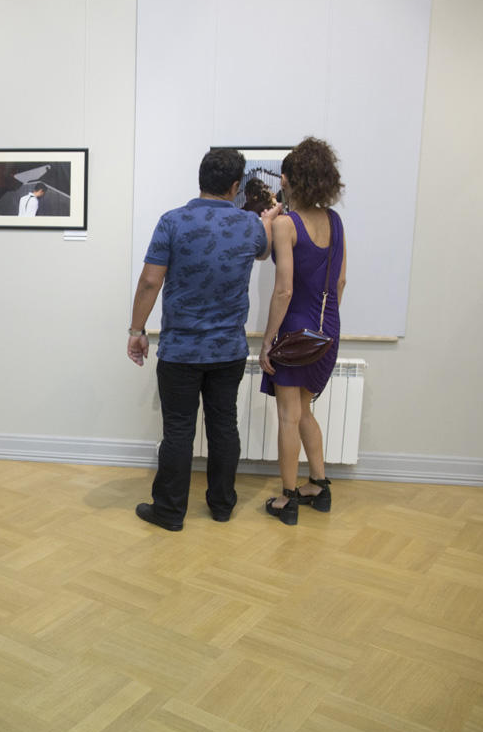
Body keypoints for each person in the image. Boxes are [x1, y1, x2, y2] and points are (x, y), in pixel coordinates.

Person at [127, 147, 277, 531]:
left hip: (181, 350)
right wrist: (268, 219)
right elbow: (262, 254)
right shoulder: (249, 227)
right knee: (224, 425)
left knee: (178, 430)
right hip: (228, 350)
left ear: (201, 180)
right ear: (234, 186)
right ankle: (222, 506)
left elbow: (149, 280)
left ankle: (170, 512)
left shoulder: (172, 222)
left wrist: (136, 330)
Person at [259, 137, 347, 525]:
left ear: (290, 179)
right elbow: (341, 282)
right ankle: (319, 485)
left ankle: (288, 498)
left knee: (287, 415)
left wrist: (267, 343)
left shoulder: (285, 224)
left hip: (294, 328)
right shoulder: (335, 221)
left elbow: (284, 289)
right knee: (306, 409)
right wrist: (323, 326)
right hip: (328, 326)